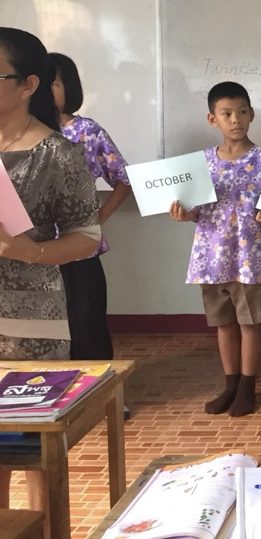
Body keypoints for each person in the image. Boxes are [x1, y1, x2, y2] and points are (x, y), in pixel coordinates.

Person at [0, 27, 101, 531]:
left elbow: (86, 236)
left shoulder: (57, 153)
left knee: (28, 452)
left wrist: (30, 250)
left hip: (30, 325)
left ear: (27, 84)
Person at [169, 81, 261, 417]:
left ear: (252, 114)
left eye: (242, 112)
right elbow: (196, 211)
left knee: (250, 322)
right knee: (223, 323)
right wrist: (183, 213)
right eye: (227, 113)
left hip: (251, 256)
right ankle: (230, 384)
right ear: (212, 119)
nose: (236, 120)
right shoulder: (202, 161)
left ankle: (248, 385)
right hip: (212, 256)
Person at [48, 52, 132, 361]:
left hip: (78, 244)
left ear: (67, 86)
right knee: (42, 328)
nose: (46, 89)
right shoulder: (20, 132)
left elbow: (124, 178)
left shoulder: (86, 132)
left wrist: (100, 216)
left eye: (53, 83)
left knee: (85, 322)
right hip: (30, 246)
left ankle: (101, 395)